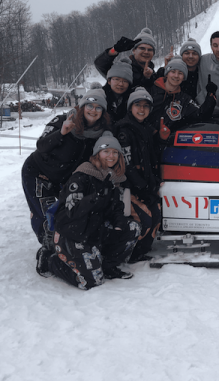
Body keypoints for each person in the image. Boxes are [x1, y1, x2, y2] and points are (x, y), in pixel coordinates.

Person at [24, 86, 111, 275]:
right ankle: (46, 252)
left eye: (98, 107)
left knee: (64, 215)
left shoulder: (101, 132)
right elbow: (41, 145)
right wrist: (62, 133)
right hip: (38, 173)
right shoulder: (65, 120)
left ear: (103, 111)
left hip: (65, 178)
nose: (93, 110)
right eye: (89, 105)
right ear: (82, 106)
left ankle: (63, 251)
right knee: (46, 216)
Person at [41, 131, 141, 289]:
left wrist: (119, 224)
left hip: (93, 229)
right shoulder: (82, 176)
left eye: (115, 152)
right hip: (73, 232)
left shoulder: (112, 177)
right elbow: (71, 212)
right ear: (97, 154)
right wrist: (97, 196)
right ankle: (49, 260)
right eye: (106, 151)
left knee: (132, 227)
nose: (111, 155)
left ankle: (107, 265)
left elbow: (115, 208)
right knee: (90, 282)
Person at [115, 88, 162, 263]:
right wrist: (141, 187)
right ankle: (125, 254)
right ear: (130, 107)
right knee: (142, 220)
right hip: (127, 189)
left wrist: (154, 182)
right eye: (137, 105)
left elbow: (150, 159)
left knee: (156, 215)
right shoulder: (124, 130)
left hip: (145, 185)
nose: (141, 109)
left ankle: (140, 252)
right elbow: (126, 165)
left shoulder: (147, 129)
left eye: (145, 106)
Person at [149, 56, 217, 143]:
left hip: (164, 145)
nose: (176, 76)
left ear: (184, 77)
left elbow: (201, 114)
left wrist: (210, 96)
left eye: (180, 73)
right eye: (173, 72)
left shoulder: (184, 99)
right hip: (143, 141)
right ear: (167, 73)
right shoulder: (151, 90)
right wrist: (152, 131)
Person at [103, 57, 133, 125]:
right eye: (117, 79)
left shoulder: (131, 98)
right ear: (109, 81)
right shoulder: (100, 95)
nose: (121, 84)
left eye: (125, 81)